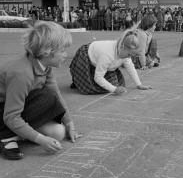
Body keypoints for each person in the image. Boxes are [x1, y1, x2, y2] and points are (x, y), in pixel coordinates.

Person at [0, 21, 82, 160]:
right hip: (5, 112)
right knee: (46, 98)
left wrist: (69, 124)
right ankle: (6, 137)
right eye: (62, 50)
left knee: (58, 133)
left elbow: (56, 94)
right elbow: (11, 116)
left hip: (12, 108)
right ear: (47, 51)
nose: (65, 55)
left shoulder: (45, 65)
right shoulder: (22, 74)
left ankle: (17, 133)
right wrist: (41, 140)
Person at [69, 29, 152, 95]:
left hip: (102, 61)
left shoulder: (125, 53)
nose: (129, 57)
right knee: (89, 88)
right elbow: (98, 77)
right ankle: (78, 81)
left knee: (116, 84)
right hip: (86, 56)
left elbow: (131, 68)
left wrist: (139, 84)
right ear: (122, 47)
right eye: (129, 54)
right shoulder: (107, 54)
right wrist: (114, 89)